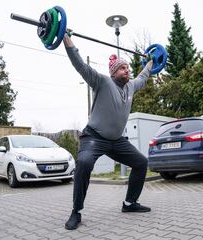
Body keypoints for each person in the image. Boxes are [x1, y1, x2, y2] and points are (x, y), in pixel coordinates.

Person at [63, 33, 153, 230]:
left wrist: (151, 62)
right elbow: (80, 65)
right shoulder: (102, 82)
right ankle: (76, 211)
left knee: (141, 163)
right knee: (84, 163)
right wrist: (65, 38)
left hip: (117, 141)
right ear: (113, 72)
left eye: (128, 67)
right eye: (122, 68)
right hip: (94, 138)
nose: (127, 70)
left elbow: (143, 77)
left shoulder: (130, 87)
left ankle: (129, 204)